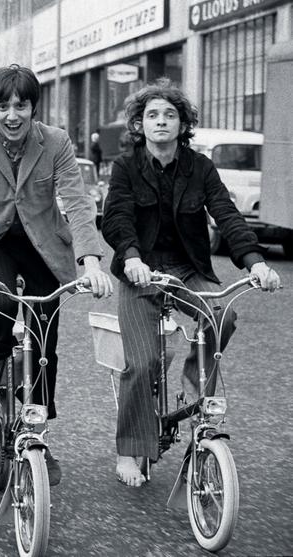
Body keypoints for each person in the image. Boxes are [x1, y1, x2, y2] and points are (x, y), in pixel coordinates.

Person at [101, 78, 280, 487]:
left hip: (185, 269)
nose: (161, 122)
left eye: (170, 115)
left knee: (222, 316)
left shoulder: (201, 167)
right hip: (140, 270)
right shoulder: (126, 166)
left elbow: (227, 214)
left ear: (183, 124)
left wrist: (254, 262)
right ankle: (129, 450)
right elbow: (117, 218)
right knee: (142, 363)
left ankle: (192, 384)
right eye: (152, 115)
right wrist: (130, 258)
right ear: (139, 125)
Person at [0, 65, 113, 485]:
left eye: (22, 105)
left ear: (34, 106)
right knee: (0, 300)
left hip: (43, 243)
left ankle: (38, 430)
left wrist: (91, 262)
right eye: (3, 106)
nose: (12, 115)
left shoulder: (55, 142)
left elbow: (77, 201)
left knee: (43, 323)